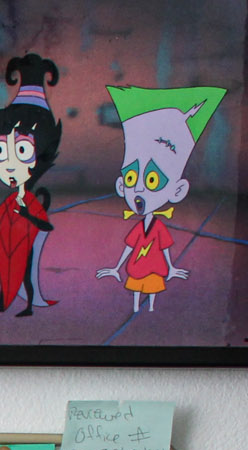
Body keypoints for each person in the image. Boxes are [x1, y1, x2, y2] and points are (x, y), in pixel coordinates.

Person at [96, 84, 227, 315]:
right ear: (120, 184)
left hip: (154, 267)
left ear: (177, 191)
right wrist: (117, 267)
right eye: (130, 177)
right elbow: (129, 246)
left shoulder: (157, 226)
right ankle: (140, 307)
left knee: (153, 287)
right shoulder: (144, 224)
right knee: (138, 286)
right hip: (137, 267)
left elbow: (164, 246)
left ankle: (150, 307)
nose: (137, 189)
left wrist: (172, 267)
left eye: (153, 180)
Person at [0, 56, 62, 318]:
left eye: (21, 150)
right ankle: (4, 301)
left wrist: (27, 215)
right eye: (0, 150)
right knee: (7, 270)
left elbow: (45, 226)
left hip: (26, 244)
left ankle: (29, 305)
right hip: (11, 246)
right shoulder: (12, 201)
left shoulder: (28, 201)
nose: (8, 164)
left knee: (26, 273)